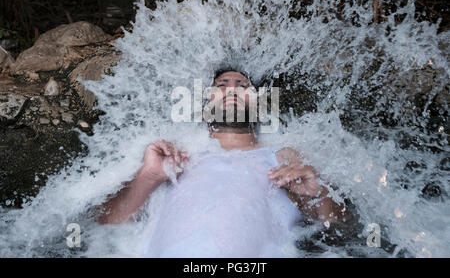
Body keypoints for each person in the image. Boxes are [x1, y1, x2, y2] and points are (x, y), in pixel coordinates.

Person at [97, 69, 351, 257]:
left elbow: (340, 226)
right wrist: (147, 177)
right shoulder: (174, 155)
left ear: (260, 108)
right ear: (204, 107)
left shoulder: (284, 156)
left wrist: (316, 195)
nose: (232, 88)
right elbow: (105, 229)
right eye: (222, 85)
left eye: (243, 85)